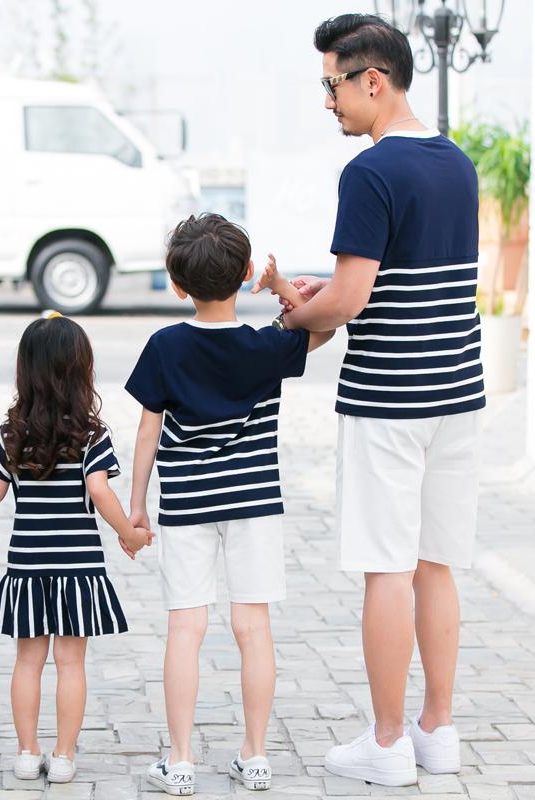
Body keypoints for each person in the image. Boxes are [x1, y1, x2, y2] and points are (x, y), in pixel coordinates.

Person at [266, 13, 484, 787]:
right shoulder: (456, 163)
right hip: (458, 395)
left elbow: (353, 299)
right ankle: (438, 730)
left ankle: (387, 743)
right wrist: (335, 293)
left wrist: (296, 312)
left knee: (385, 568)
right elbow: (413, 280)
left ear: (372, 80)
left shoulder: (369, 171)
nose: (327, 102)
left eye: (331, 86)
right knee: (437, 565)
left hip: (389, 399)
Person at [126, 214, 334, 795]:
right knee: (253, 627)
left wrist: (137, 504)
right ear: (245, 275)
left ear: (175, 282)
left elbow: (147, 432)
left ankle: (182, 759)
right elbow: (320, 329)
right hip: (254, 502)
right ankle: (256, 754)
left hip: (187, 502)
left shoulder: (165, 346)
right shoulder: (266, 345)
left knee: (186, 628)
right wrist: (283, 287)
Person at [0, 312, 154, 785]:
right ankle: (64, 756)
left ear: (25, 372)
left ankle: (27, 753)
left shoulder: (13, 433)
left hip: (26, 565)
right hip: (78, 567)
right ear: (80, 371)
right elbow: (100, 491)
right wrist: (128, 535)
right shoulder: (91, 435)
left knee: (28, 661)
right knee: (71, 663)